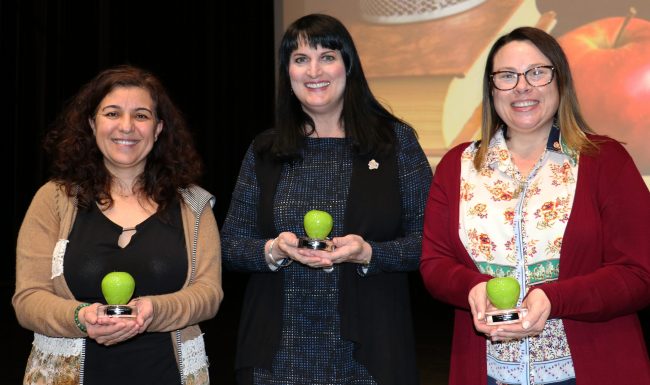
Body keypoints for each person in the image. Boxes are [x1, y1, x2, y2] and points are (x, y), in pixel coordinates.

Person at [420, 26, 650, 385]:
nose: (522, 87)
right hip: (489, 373)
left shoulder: (606, 161)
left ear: (560, 81)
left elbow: (639, 273)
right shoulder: (456, 166)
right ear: (491, 88)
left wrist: (553, 299)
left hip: (589, 370)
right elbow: (434, 265)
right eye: (507, 76)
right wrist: (473, 288)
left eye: (537, 73)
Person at [220, 13, 432, 385]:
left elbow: (429, 242)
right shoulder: (265, 150)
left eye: (327, 56)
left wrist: (369, 253)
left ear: (348, 66)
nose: (313, 70)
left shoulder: (394, 144)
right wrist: (274, 249)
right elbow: (230, 245)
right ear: (288, 73)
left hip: (370, 354)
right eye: (300, 59)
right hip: (277, 357)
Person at [12, 65, 223, 385]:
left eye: (141, 116)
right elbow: (28, 299)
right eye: (112, 113)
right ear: (92, 123)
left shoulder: (193, 205)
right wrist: (80, 318)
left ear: (158, 128)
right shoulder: (53, 199)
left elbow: (209, 294)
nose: (127, 127)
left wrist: (154, 311)